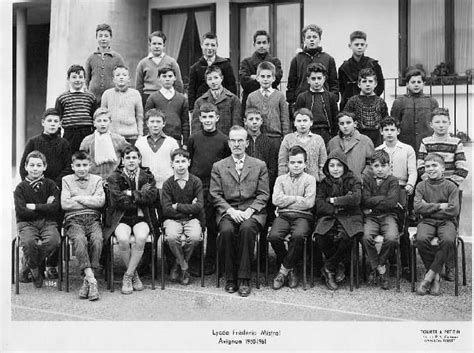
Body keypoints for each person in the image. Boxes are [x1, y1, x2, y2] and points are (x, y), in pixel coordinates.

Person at [210, 125, 269, 297]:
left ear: (247, 143)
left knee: (247, 229)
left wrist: (250, 211)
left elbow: (264, 194)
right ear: (229, 143)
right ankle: (230, 278)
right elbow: (215, 194)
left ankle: (244, 278)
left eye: (240, 140)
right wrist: (230, 211)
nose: (237, 144)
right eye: (233, 141)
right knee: (227, 231)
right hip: (228, 211)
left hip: (252, 212)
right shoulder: (219, 166)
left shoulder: (259, 165)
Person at [19, 108, 72, 280]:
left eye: (56, 121)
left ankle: (51, 264)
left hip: (54, 193)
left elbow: (68, 168)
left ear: (60, 124)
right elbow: (23, 168)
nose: (52, 124)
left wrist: (53, 188)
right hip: (35, 194)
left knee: (53, 228)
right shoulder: (33, 142)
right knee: (34, 229)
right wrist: (34, 190)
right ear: (43, 122)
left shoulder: (64, 144)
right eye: (49, 121)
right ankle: (35, 266)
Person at [103, 146, 160, 294]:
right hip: (122, 217)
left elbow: (151, 197)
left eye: (134, 158)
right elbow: (117, 200)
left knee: (141, 237)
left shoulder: (147, 176)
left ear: (139, 159)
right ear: (123, 160)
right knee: (122, 238)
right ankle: (134, 275)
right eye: (128, 158)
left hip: (142, 216)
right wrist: (140, 195)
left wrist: (129, 193)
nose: (131, 161)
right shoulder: (114, 177)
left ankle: (127, 276)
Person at [187, 103, 230, 275]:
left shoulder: (224, 140)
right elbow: (189, 164)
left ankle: (211, 260)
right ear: (199, 118)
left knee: (212, 226)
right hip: (198, 188)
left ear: (217, 118)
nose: (207, 120)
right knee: (198, 224)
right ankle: (196, 261)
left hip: (216, 188)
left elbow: (227, 166)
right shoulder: (194, 138)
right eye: (204, 117)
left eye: (211, 116)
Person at [314, 150, 363, 290]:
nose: (335, 169)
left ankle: (329, 267)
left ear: (345, 167)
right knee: (320, 236)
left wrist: (334, 200)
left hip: (350, 216)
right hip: (331, 216)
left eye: (339, 165)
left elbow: (355, 199)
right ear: (327, 168)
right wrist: (337, 208)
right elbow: (320, 203)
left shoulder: (353, 180)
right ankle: (338, 264)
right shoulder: (324, 183)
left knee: (347, 236)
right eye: (332, 166)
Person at [269, 146, 316, 290]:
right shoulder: (280, 179)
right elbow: (276, 200)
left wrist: (287, 200)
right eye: (293, 162)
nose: (296, 166)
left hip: (303, 216)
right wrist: (297, 198)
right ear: (288, 163)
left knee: (298, 235)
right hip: (283, 215)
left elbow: (309, 203)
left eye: (300, 162)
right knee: (274, 236)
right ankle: (291, 266)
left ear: (305, 164)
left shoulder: (310, 179)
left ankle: (283, 271)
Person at [61, 151, 105, 301]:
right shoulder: (66, 180)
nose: (81, 168)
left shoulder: (97, 179)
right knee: (80, 240)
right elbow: (65, 203)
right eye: (78, 165)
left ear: (90, 165)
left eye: (85, 165)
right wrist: (90, 199)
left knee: (98, 239)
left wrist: (78, 198)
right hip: (73, 219)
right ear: (72, 166)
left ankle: (87, 279)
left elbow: (100, 202)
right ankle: (92, 279)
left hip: (93, 218)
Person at [375, 116, 417, 273]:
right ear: (381, 132)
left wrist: (410, 185)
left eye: (392, 130)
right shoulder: (378, 150)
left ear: (398, 131)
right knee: (388, 224)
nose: (389, 133)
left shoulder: (407, 149)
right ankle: (391, 263)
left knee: (403, 228)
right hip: (384, 190)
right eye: (386, 130)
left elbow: (412, 171)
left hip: (401, 189)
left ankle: (406, 266)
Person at [414, 153, 460, 296]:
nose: (431, 169)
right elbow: (417, 208)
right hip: (427, 221)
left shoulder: (451, 186)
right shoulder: (421, 186)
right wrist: (440, 206)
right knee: (420, 239)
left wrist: (428, 207)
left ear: (443, 168)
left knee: (447, 240)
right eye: (427, 166)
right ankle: (436, 276)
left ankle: (430, 276)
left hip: (447, 222)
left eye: (434, 165)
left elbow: (453, 210)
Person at [14, 151, 61, 288]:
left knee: (54, 241)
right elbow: (22, 212)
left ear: (45, 167)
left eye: (39, 165)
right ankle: (35, 270)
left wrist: (34, 206)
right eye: (32, 165)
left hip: (48, 223)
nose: (35, 168)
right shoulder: (20, 188)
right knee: (28, 242)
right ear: (26, 167)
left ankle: (28, 264)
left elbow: (55, 208)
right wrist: (45, 207)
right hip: (26, 223)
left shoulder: (51, 185)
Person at [162, 148, 204, 285]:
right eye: (177, 161)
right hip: (172, 220)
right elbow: (167, 210)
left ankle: (177, 263)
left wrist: (178, 206)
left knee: (195, 237)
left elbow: (199, 207)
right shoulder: (168, 184)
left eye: (183, 161)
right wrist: (189, 208)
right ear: (172, 164)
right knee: (172, 237)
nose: (180, 165)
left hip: (192, 219)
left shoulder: (196, 182)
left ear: (189, 163)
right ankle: (184, 266)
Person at [244, 107, 279, 266]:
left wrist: (265, 183)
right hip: (244, 189)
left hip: (265, 188)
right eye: (251, 119)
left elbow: (272, 167)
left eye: (257, 120)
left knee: (263, 221)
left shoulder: (269, 142)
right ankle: (246, 256)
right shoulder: (242, 141)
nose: (254, 123)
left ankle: (263, 258)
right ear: (245, 121)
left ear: (261, 121)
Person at [361, 150, 400, 290]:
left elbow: (392, 202)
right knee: (365, 237)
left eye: (383, 166)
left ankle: (379, 264)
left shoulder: (393, 181)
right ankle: (378, 267)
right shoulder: (367, 180)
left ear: (389, 166)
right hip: (371, 218)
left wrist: (373, 204)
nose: (380, 169)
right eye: (376, 166)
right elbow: (364, 200)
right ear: (371, 167)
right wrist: (382, 199)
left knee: (392, 237)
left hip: (388, 215)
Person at [286, 24, 338, 114]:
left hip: (323, 102)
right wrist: (293, 101)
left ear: (319, 39)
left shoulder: (328, 59)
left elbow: (334, 83)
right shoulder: (297, 59)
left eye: (314, 37)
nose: (311, 40)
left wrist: (333, 98)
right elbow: (291, 84)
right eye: (308, 37)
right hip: (302, 102)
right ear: (304, 40)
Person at [246, 61, 290, 154]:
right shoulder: (251, 97)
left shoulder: (279, 96)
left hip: (275, 138)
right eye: (262, 76)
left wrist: (285, 138)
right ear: (257, 78)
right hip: (257, 137)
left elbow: (285, 119)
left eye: (268, 76)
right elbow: (248, 118)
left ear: (273, 78)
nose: (265, 79)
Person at [390, 68, 439, 153]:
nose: (416, 85)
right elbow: (394, 123)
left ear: (424, 84)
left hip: (426, 144)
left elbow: (436, 123)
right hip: (405, 144)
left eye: (419, 82)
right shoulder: (399, 102)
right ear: (407, 84)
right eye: (413, 82)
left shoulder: (431, 101)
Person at [188, 32, 237, 111]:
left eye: (213, 45)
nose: (209, 48)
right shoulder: (195, 68)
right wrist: (191, 109)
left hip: (223, 106)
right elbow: (191, 91)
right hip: (203, 107)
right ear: (201, 45)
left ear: (217, 46)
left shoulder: (225, 64)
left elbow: (232, 87)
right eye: (207, 44)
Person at [55, 64, 99, 153]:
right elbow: (57, 119)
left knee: (86, 158)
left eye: (80, 77)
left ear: (84, 79)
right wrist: (57, 136)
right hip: (70, 133)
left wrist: (95, 134)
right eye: (74, 77)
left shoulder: (90, 97)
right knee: (70, 158)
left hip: (86, 133)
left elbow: (95, 117)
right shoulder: (62, 98)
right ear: (68, 79)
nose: (77, 80)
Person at [338, 30, 384, 111]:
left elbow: (380, 85)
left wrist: (371, 98)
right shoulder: (344, 67)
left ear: (366, 46)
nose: (359, 47)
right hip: (349, 105)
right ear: (350, 46)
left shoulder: (373, 65)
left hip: (370, 104)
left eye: (362, 44)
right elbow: (342, 88)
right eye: (356, 44)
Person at [135, 31, 184, 107]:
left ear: (164, 46)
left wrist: (176, 98)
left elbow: (178, 83)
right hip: (148, 96)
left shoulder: (171, 62)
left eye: (159, 44)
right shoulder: (143, 63)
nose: (157, 46)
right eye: (154, 44)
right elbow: (139, 85)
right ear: (149, 45)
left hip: (167, 96)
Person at [239, 30, 283, 115]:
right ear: (254, 44)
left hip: (271, 100)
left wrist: (254, 77)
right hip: (251, 102)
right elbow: (245, 83)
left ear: (269, 45)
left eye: (264, 43)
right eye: (259, 43)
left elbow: (276, 80)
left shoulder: (275, 62)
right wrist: (267, 80)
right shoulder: (246, 62)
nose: (261, 46)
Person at [79, 108, 129, 180]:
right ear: (94, 123)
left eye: (105, 121)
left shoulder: (118, 139)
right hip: (93, 178)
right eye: (99, 121)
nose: (102, 124)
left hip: (114, 179)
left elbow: (129, 154)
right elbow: (81, 159)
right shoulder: (88, 141)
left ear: (110, 122)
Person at [278, 108, 327, 182]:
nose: (302, 124)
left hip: (314, 182)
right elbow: (282, 164)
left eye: (305, 121)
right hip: (292, 183)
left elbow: (322, 164)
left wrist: (322, 181)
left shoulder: (318, 139)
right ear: (294, 123)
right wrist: (282, 181)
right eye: (299, 121)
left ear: (311, 122)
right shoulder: (288, 139)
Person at [145, 67, 189, 147]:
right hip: (157, 139)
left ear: (175, 78)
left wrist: (185, 142)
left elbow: (185, 122)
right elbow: (147, 120)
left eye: (170, 76)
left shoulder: (181, 98)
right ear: (159, 78)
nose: (167, 79)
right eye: (164, 76)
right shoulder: (153, 98)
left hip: (176, 139)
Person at [135, 109, 179, 189]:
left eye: (158, 122)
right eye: (152, 122)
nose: (155, 125)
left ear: (164, 123)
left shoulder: (172, 142)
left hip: (167, 186)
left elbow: (177, 165)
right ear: (147, 123)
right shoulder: (140, 143)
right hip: (146, 187)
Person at [343, 68, 388, 146]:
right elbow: (346, 121)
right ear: (359, 84)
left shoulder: (381, 102)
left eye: (370, 81)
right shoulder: (353, 101)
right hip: (357, 139)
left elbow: (385, 122)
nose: (367, 84)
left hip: (377, 139)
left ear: (376, 83)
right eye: (364, 81)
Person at [295, 63, 338, 144]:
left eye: (319, 78)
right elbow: (297, 118)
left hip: (326, 133)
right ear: (308, 80)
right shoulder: (302, 97)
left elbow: (335, 119)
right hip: (308, 133)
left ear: (324, 78)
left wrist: (334, 135)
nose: (316, 82)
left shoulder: (330, 97)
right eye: (313, 79)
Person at [191, 65, 241, 136]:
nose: (213, 82)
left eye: (216, 78)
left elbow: (237, 125)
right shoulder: (200, 102)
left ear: (221, 78)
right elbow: (196, 128)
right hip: (206, 142)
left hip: (227, 140)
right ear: (206, 81)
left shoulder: (233, 99)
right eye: (210, 79)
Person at [101, 65, 143, 145]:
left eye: (124, 75)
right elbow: (102, 116)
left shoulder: (135, 94)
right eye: (118, 75)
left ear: (129, 79)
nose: (121, 77)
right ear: (113, 79)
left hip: (131, 137)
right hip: (112, 136)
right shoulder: (107, 94)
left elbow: (139, 116)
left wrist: (140, 134)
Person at [85, 23, 125, 104]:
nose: (103, 39)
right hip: (93, 98)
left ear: (110, 38)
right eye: (100, 36)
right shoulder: (91, 58)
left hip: (112, 98)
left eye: (106, 36)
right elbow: (87, 79)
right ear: (96, 37)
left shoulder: (117, 58)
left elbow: (123, 77)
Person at [327, 112, 374, 180]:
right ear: (338, 125)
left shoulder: (365, 141)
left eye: (348, 123)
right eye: (342, 123)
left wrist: (362, 177)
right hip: (338, 183)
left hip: (358, 182)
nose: (345, 126)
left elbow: (371, 163)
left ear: (355, 124)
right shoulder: (333, 142)